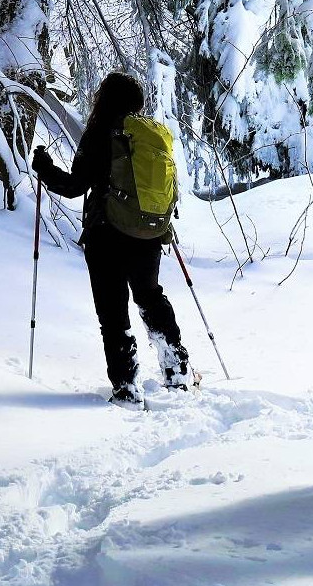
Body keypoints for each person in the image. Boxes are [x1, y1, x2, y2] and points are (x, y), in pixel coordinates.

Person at [33, 72, 194, 404]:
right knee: (150, 296)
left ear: (103, 99)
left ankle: (126, 385)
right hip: (149, 234)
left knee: (113, 313)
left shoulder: (100, 135)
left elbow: (74, 186)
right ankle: (176, 367)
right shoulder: (150, 136)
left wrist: (44, 167)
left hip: (106, 233)